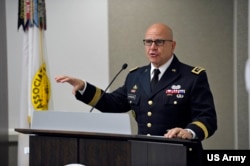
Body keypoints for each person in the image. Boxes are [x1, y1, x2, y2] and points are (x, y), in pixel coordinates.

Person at [55, 23, 217, 141]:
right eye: (148, 42)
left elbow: (207, 118)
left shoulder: (192, 77)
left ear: (173, 46)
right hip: (143, 153)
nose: (152, 47)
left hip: (180, 154)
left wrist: (189, 132)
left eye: (159, 42)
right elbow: (112, 104)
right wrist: (83, 87)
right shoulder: (136, 76)